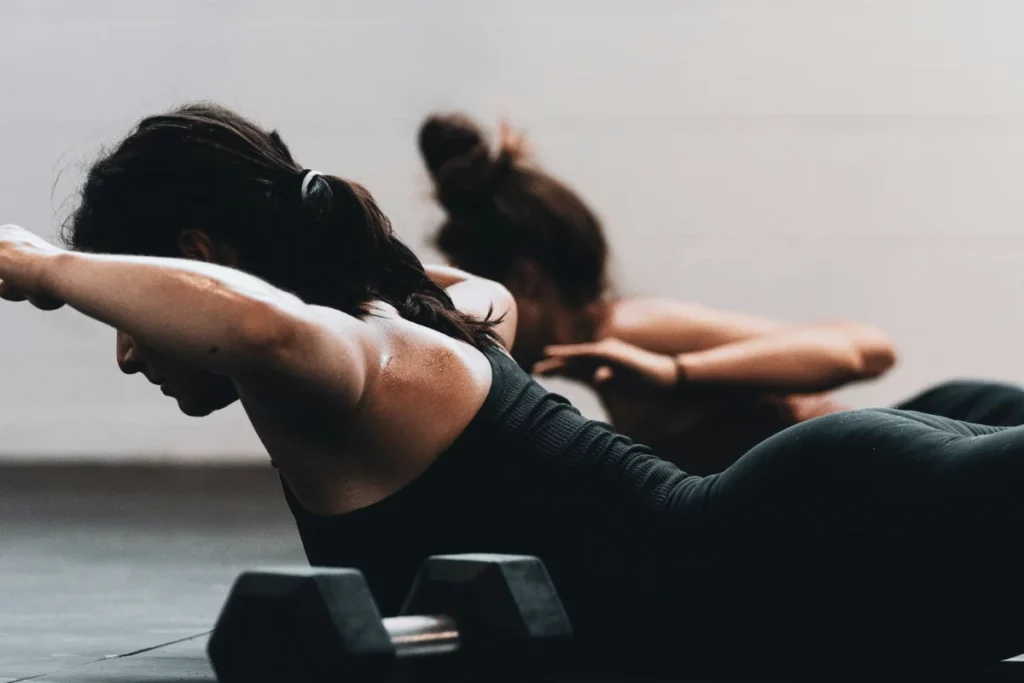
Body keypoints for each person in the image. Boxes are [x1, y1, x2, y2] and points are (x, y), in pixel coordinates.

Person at [7, 103, 1024, 675]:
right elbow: (465, 289)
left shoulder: (346, 360)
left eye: (128, 315)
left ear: (198, 257)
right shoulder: (428, 313)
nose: (128, 352)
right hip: (819, 566)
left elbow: (257, 321)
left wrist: (43, 267)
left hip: (811, 548)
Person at [418, 113, 1024, 474]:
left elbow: (864, 350)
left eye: (477, 299)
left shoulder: (628, 330)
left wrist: (677, 372)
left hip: (963, 434)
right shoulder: (606, 362)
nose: (471, 323)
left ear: (525, 281)